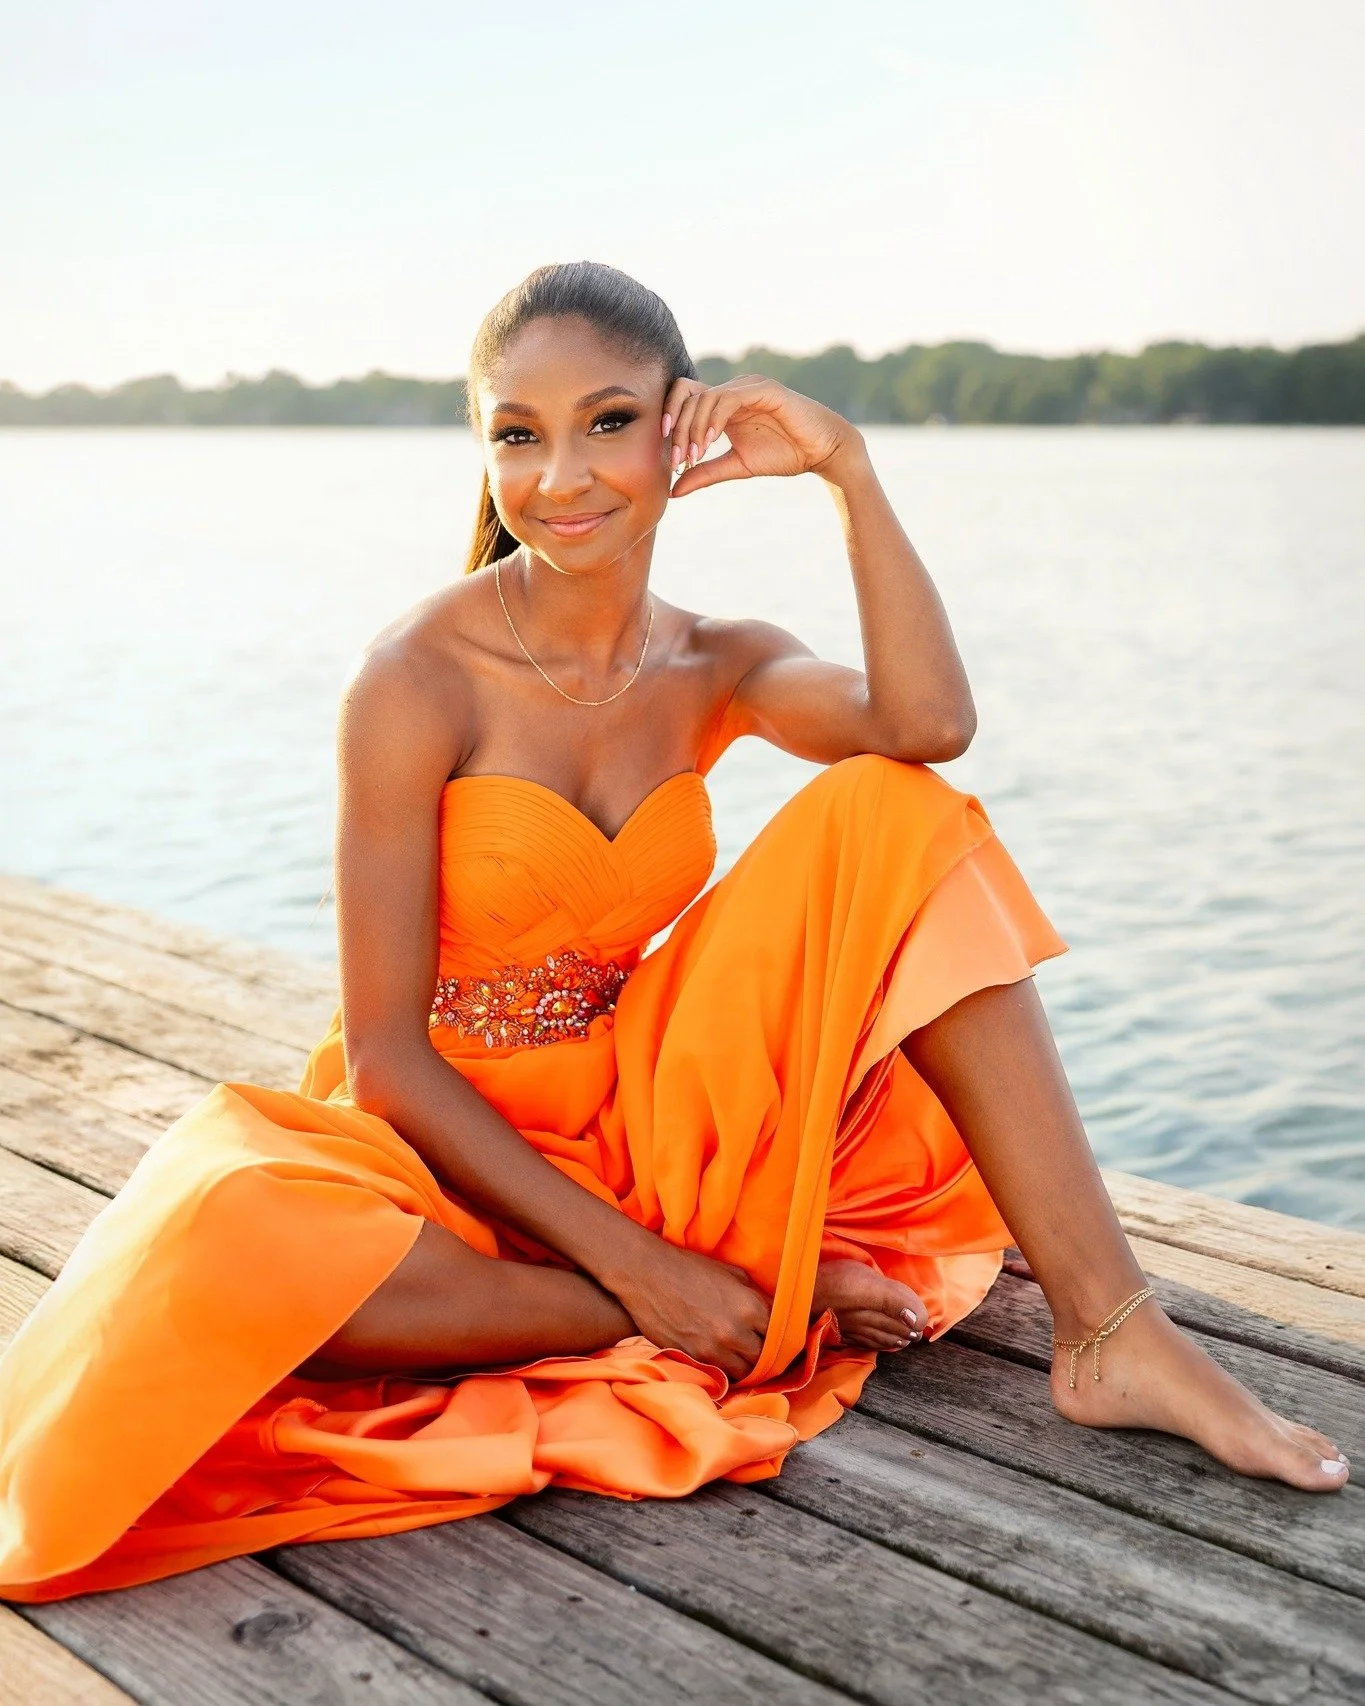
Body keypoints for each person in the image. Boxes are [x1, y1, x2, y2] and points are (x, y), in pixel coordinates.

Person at [0, 264, 1347, 1604]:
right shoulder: (414, 677)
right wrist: (647, 1277)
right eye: (517, 434)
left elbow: (927, 726)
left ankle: (1109, 1327)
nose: (561, 476)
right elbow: (387, 1060)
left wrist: (848, 471)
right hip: (445, 1134)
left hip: (642, 1109)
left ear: (678, 427)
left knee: (897, 808)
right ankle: (744, 1292)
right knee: (241, 1243)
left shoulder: (718, 659)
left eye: (607, 421)